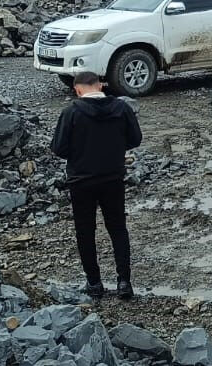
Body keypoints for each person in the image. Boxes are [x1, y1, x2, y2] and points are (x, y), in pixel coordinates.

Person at [49, 71, 142, 300]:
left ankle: (94, 283)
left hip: (81, 180)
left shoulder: (71, 112)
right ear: (100, 86)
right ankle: (124, 282)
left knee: (85, 231)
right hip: (113, 178)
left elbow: (59, 148)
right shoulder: (122, 108)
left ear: (77, 90)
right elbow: (135, 139)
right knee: (118, 229)